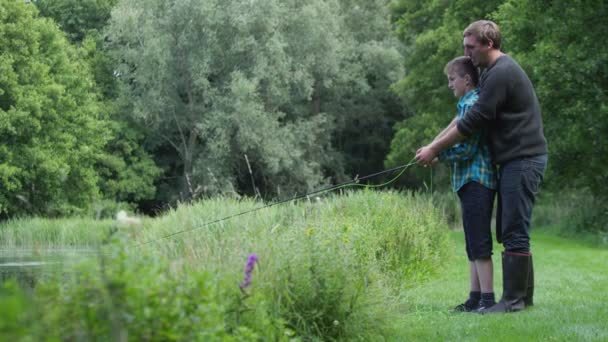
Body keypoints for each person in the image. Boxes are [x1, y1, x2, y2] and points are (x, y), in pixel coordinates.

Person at [415, 20, 548, 314]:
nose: (467, 53)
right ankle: (522, 298)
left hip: (524, 158)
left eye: (470, 47)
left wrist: (436, 149)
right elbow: (467, 115)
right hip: (515, 159)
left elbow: (473, 121)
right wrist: (434, 144)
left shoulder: (501, 73)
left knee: (514, 226)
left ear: (489, 44)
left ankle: (512, 301)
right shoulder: (491, 74)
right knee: (511, 226)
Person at [439, 56, 497, 313]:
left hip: (478, 180)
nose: (450, 85)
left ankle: (487, 300)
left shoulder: (474, 103)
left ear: (467, 79)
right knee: (472, 242)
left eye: (452, 79)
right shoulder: (465, 105)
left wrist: (439, 155)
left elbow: (466, 148)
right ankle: (474, 298)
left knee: (480, 242)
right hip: (466, 181)